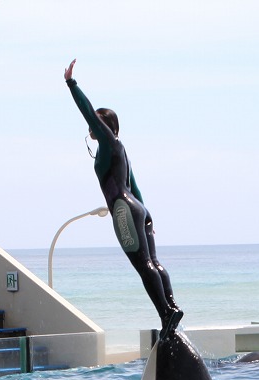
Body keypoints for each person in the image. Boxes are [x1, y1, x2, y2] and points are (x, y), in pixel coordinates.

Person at [65, 60, 181, 334]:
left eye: (97, 122)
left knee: (143, 267)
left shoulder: (109, 142)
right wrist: (147, 215)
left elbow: (87, 112)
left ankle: (166, 315)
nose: (91, 127)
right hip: (138, 207)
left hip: (122, 209)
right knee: (153, 262)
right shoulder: (122, 150)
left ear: (105, 124)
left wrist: (71, 84)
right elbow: (135, 186)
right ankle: (172, 307)